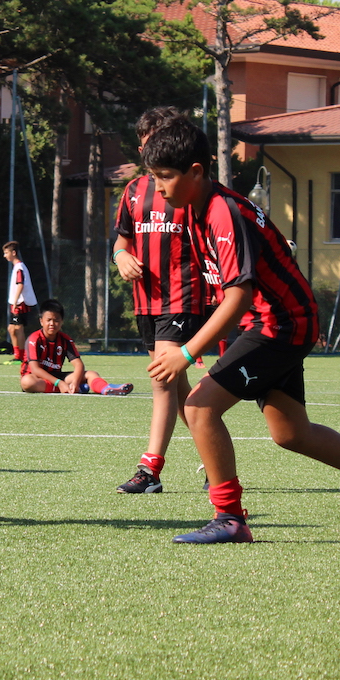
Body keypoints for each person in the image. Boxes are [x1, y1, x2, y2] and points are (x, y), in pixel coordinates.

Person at [143, 115, 340, 544]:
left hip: (281, 324)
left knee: (198, 407)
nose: (157, 187)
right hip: (275, 321)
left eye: (164, 176)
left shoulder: (222, 213)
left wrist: (188, 351)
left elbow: (239, 296)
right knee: (291, 433)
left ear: (195, 171)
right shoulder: (195, 209)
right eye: (154, 177)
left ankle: (230, 517)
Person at [113, 106, 218, 493]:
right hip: (147, 300)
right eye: (143, 145)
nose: (146, 151)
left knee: (162, 379)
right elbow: (122, 240)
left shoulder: (188, 187)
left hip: (183, 295)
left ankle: (150, 470)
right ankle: (214, 456)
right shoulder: (134, 190)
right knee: (176, 387)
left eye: (153, 142)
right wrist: (120, 256)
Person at [20, 299, 132, 395]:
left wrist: (75, 382)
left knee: (91, 374)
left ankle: (106, 389)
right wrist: (60, 383)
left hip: (57, 377)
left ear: (62, 322)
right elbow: (35, 369)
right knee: (27, 382)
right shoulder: (34, 339)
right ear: (41, 321)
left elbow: (79, 364)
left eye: (56, 320)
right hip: (38, 378)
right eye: (48, 320)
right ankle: (67, 389)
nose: (52, 324)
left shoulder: (65, 339)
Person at [3, 241, 36, 363]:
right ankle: (18, 355)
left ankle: (21, 357)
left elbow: (20, 285)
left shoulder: (19, 268)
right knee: (12, 329)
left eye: (6, 253)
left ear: (13, 253)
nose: (5, 255)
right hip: (16, 303)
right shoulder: (17, 267)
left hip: (20, 303)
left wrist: (16, 301)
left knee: (18, 328)